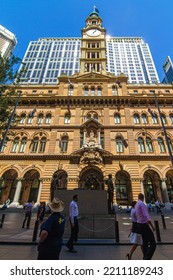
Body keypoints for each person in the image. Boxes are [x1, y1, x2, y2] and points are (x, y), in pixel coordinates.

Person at [135, 193, 156, 260]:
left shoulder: (136, 204)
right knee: (153, 243)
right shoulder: (142, 204)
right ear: (143, 198)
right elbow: (146, 215)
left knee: (145, 242)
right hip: (143, 224)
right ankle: (147, 258)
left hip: (139, 224)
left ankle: (145, 257)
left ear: (138, 197)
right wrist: (152, 226)